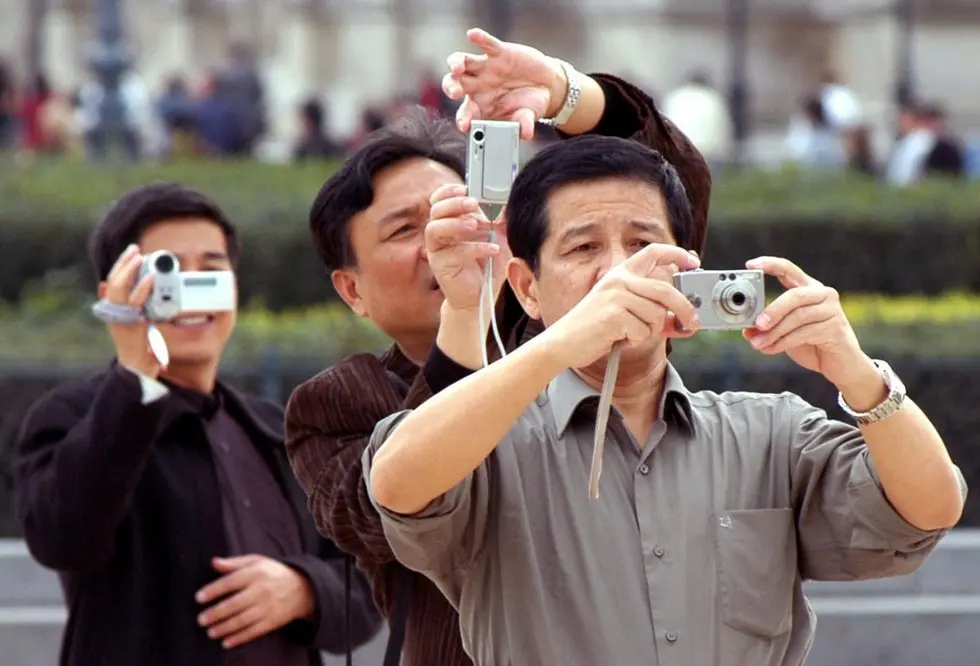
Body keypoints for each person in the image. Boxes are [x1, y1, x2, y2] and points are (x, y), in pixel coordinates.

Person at [364, 135, 967, 666]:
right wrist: (564, 341)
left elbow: (929, 510)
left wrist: (857, 374)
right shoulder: (487, 443)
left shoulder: (770, 433)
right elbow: (396, 482)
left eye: (642, 244)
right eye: (583, 249)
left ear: (686, 270)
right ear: (527, 289)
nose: (617, 273)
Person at [284, 28, 711, 666]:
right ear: (352, 289)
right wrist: (464, 320)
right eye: (406, 230)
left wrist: (565, 95)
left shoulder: (567, 323)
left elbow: (664, 193)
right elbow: (393, 511)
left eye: (457, 209)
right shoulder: (334, 407)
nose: (442, 238)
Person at [13, 183, 381, 666]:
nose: (187, 292)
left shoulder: (277, 429)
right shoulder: (74, 416)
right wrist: (134, 378)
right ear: (113, 294)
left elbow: (367, 581)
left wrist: (303, 589)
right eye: (164, 271)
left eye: (210, 271)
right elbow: (63, 539)